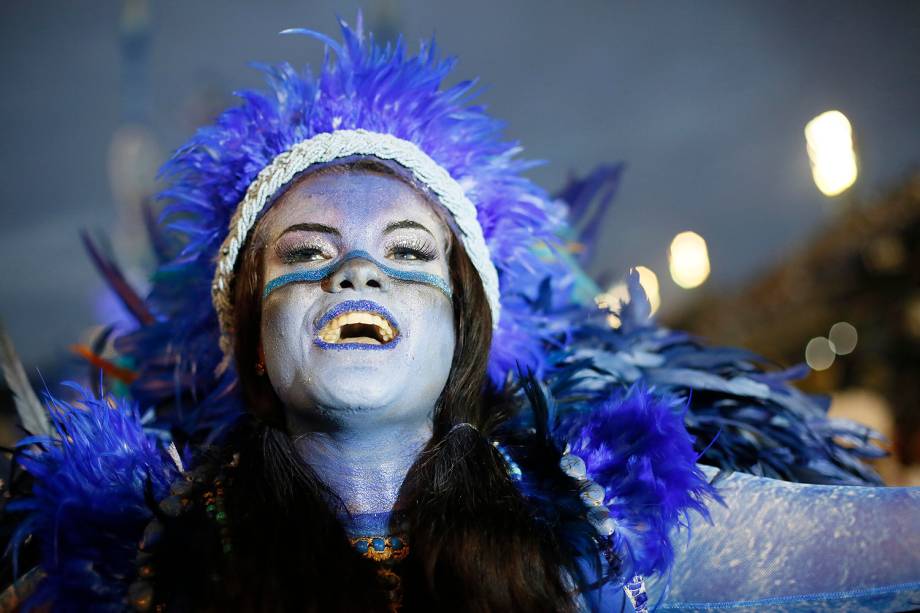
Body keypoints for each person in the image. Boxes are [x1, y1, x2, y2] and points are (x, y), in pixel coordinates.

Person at [2, 15, 918, 612]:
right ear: (247, 336)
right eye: (306, 254)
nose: (357, 275)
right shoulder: (135, 573)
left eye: (406, 252)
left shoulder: (613, 534)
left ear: (463, 332)